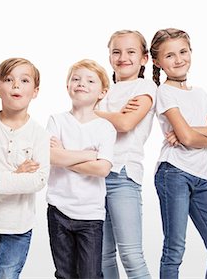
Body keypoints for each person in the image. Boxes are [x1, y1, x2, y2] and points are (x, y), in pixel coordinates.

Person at [150, 28, 207, 278]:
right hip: (173, 173)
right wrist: (204, 132)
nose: (178, 60)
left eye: (183, 52)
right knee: (175, 249)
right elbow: (186, 139)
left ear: (190, 52)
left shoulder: (201, 94)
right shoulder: (164, 92)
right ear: (157, 62)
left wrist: (190, 131)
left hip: (201, 178)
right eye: (170, 56)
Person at [0, 57, 50, 279]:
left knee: (5, 276)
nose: (16, 85)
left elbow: (39, 180)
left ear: (35, 91)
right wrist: (16, 175)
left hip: (18, 225)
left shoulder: (39, 134)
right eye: (8, 79)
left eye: (24, 80)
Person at [46, 59, 116, 279]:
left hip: (90, 214)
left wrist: (64, 155)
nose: (80, 83)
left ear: (102, 92)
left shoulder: (105, 128)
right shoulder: (56, 121)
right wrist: (88, 155)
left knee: (90, 275)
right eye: (75, 79)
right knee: (64, 274)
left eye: (89, 80)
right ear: (67, 86)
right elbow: (51, 156)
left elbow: (102, 169)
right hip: (58, 209)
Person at [95, 30, 156, 279]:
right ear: (109, 57)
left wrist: (92, 113)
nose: (123, 57)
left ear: (144, 58)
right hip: (95, 176)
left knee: (131, 255)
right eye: (116, 52)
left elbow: (125, 124)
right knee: (103, 256)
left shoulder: (145, 86)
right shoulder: (103, 90)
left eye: (131, 52)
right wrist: (112, 115)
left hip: (123, 175)